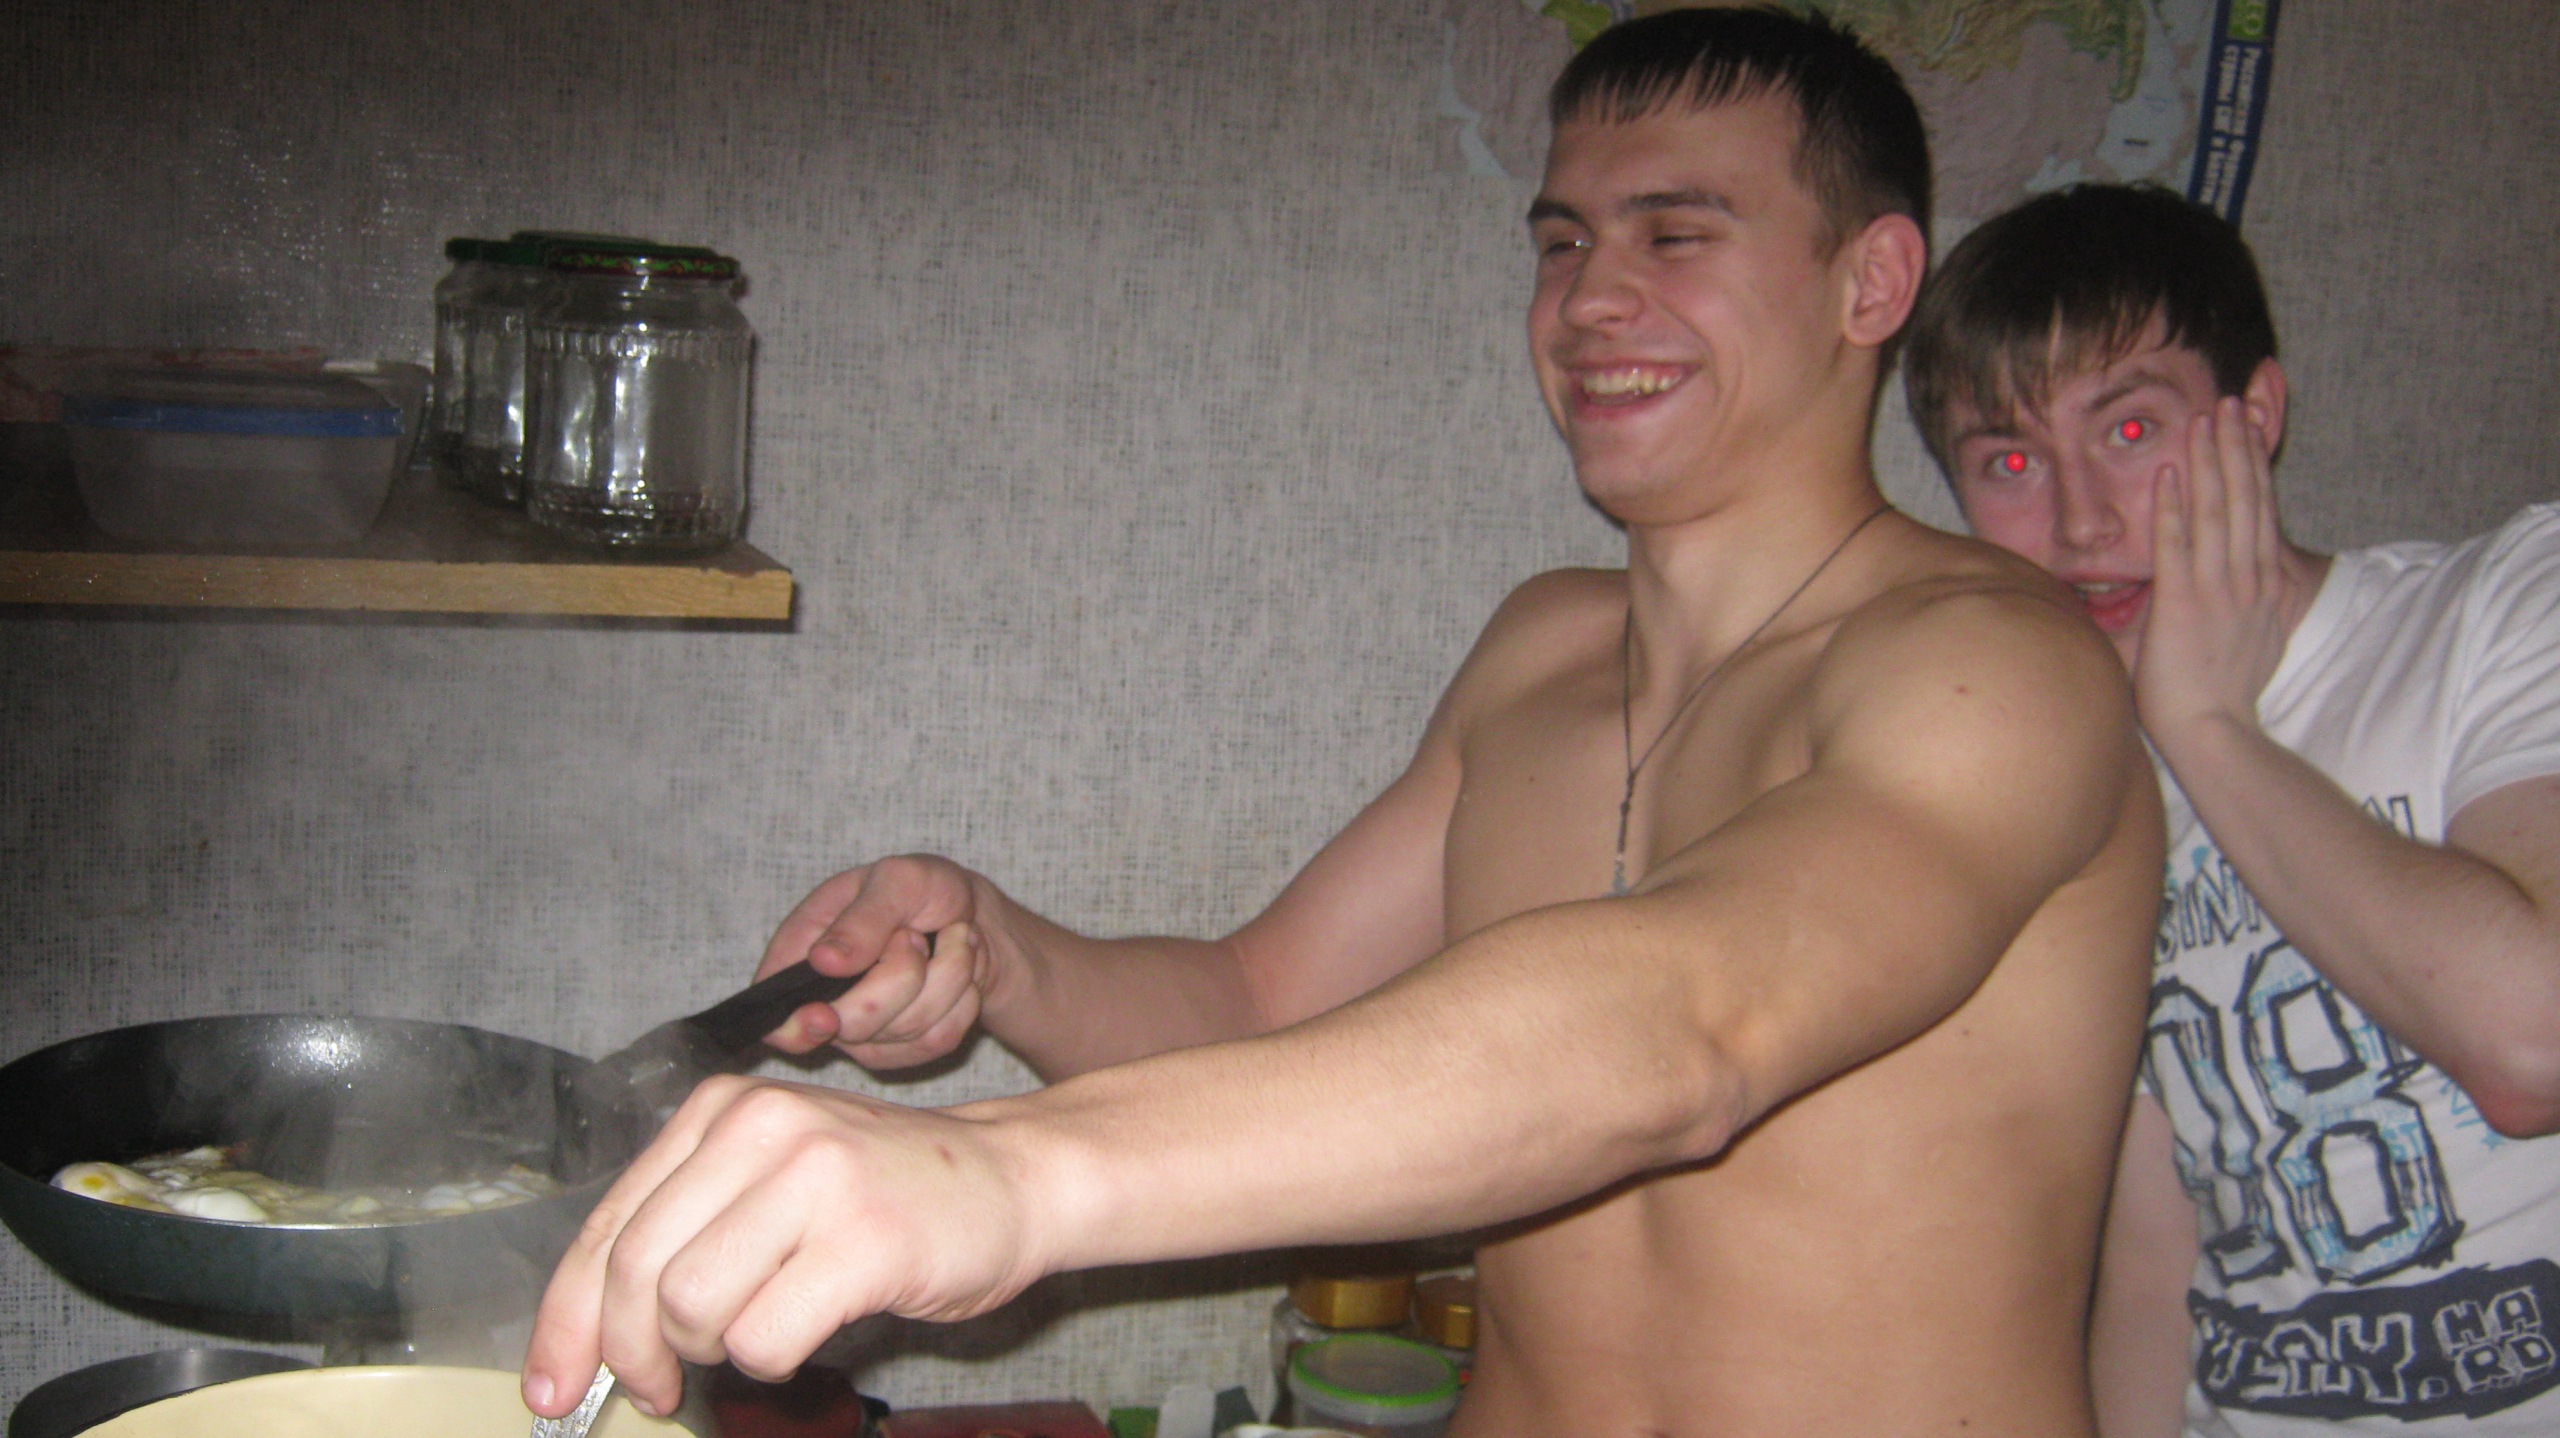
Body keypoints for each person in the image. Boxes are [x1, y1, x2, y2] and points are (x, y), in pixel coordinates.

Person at [526, 11, 2164, 1434]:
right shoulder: (1541, 654)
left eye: (1676, 236)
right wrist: (1000, 949)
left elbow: (1693, 1024)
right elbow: (1258, 1001)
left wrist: (1014, 1175)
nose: (1592, 299)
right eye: (1563, 243)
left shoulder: (1998, 666)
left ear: (1872, 280)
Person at [1903, 181, 2560, 1437]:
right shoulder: (2074, 785)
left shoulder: (2500, 606)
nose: (2080, 518)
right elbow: (2157, 1263)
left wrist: (2206, 725)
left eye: (2130, 430)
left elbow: (2532, 1048)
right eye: (2010, 460)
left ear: (2255, 415)